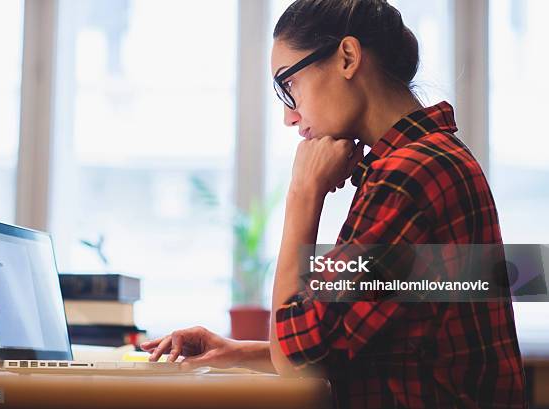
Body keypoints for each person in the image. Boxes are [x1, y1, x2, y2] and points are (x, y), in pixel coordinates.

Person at [141, 0, 527, 407]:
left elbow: (297, 357)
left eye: (288, 85)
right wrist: (240, 352)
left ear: (347, 57)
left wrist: (303, 195)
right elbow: (364, 341)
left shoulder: (408, 176)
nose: (289, 117)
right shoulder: (430, 158)